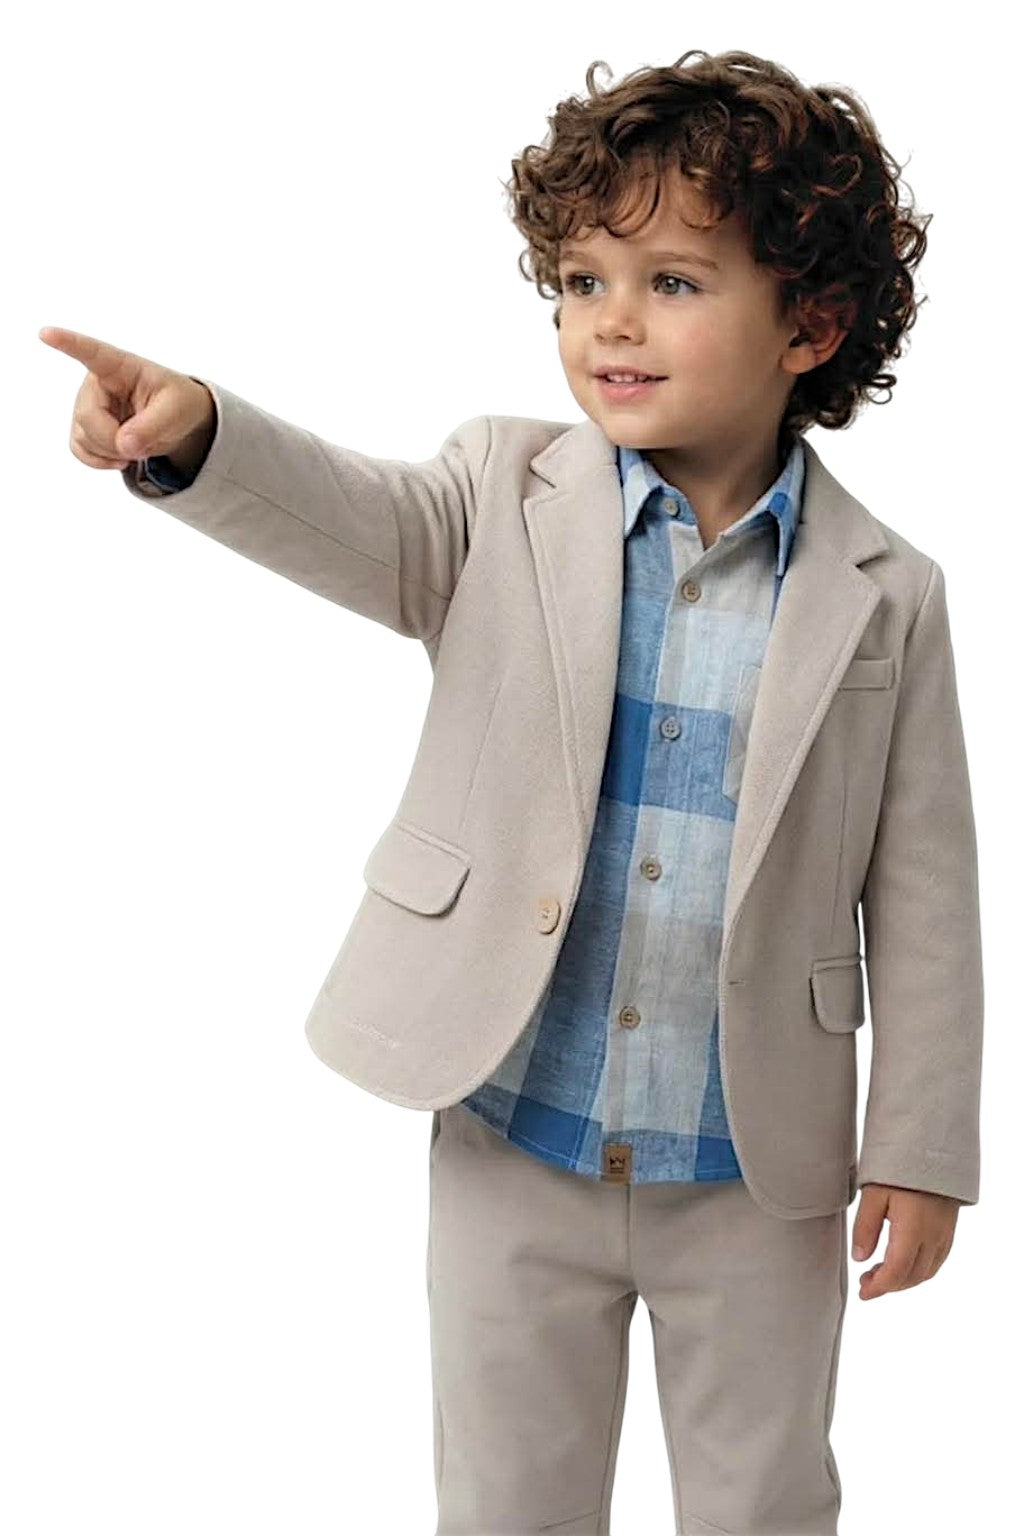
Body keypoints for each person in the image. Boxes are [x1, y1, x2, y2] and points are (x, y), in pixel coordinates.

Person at [40, 46, 983, 1536]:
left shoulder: (889, 592)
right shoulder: (496, 493)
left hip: (755, 1160)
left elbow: (927, 894)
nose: (611, 320)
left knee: (765, 1500)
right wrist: (198, 433)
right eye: (581, 280)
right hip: (511, 1129)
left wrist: (922, 1153)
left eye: (673, 282)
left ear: (811, 323)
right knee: (505, 1499)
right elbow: (344, 513)